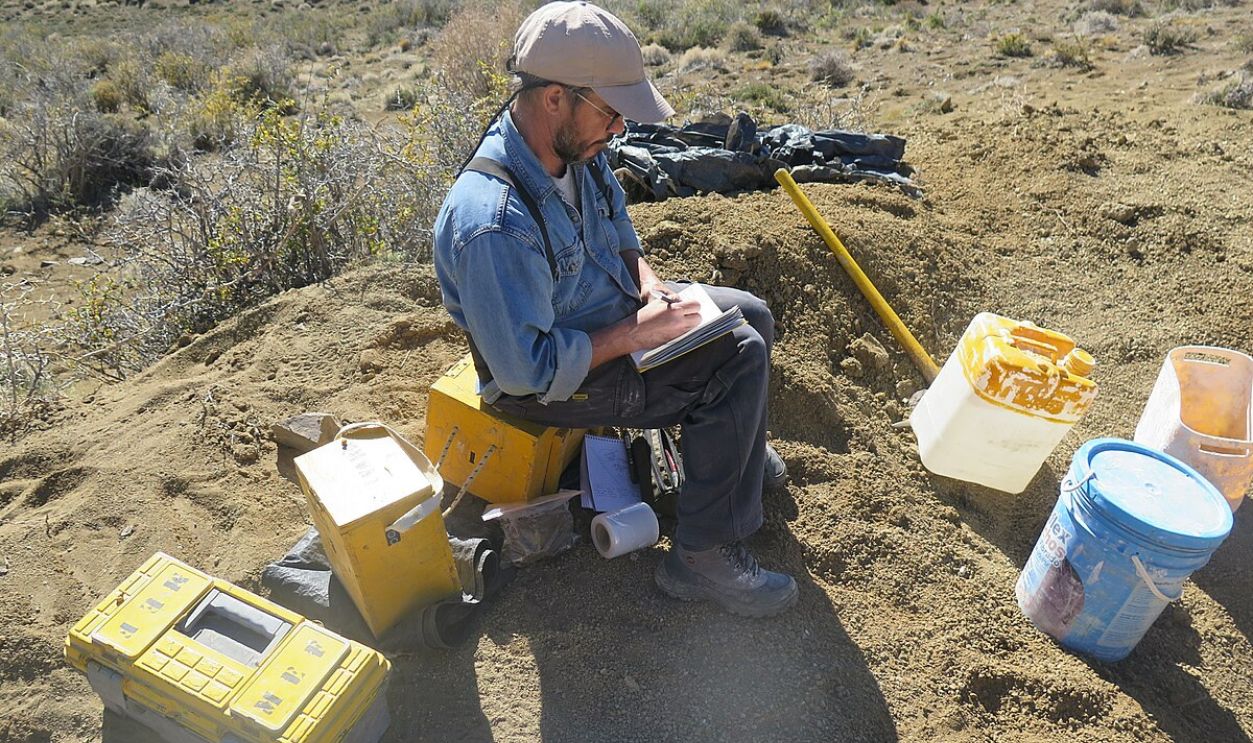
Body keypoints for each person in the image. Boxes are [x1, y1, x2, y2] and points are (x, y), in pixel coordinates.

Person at [433, 1, 797, 618]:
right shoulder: (494, 223)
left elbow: (616, 227)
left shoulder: (572, 145)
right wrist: (634, 334)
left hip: (611, 320)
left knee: (752, 315)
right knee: (737, 359)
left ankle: (732, 466)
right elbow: (525, 372)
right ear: (555, 98)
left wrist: (649, 284)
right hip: (552, 381)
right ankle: (701, 556)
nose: (620, 130)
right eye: (612, 112)